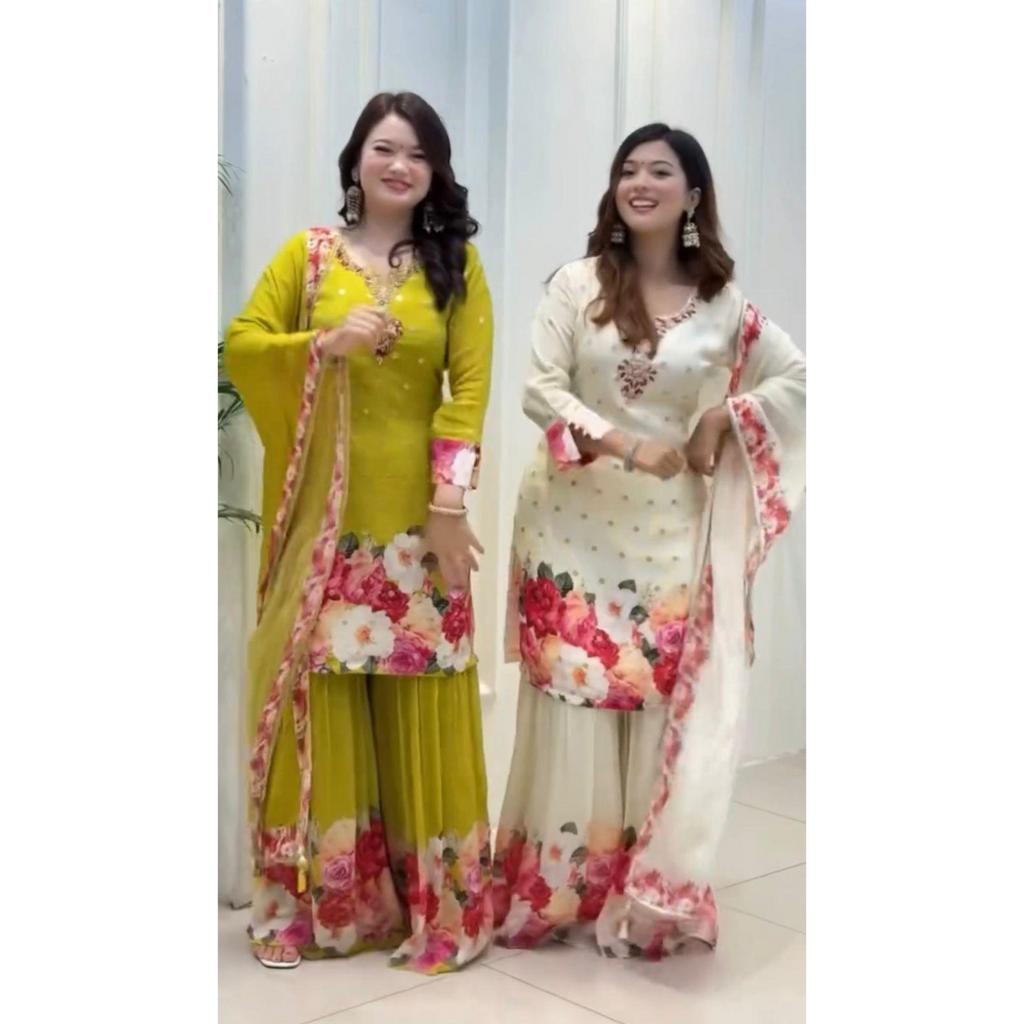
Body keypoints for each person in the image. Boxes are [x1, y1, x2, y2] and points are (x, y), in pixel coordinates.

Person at [495, 123, 806, 958]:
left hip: (671, 538)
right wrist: (625, 444)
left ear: (692, 195)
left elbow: (799, 379)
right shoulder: (577, 284)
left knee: (652, 707)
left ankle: (641, 893)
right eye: (627, 169)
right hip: (569, 528)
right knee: (572, 701)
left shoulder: (725, 305)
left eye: (659, 171)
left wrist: (723, 416)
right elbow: (539, 390)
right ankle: (558, 891)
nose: (639, 183)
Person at [225, 91, 494, 974]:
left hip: (420, 526)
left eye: (418, 153)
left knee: (425, 700)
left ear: (435, 171)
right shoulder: (307, 257)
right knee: (323, 705)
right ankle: (327, 908)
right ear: (355, 162)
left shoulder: (456, 268)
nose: (400, 165)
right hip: (326, 530)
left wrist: (450, 507)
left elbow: (468, 394)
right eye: (384, 148)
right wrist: (326, 343)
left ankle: (435, 906)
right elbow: (243, 345)